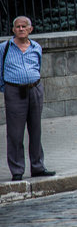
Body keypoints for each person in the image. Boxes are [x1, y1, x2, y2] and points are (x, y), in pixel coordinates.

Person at [1, 16, 55, 182]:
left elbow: (38, 66)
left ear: (30, 29)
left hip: (35, 89)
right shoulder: (5, 48)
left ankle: (38, 167)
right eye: (18, 27)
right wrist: (7, 89)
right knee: (15, 133)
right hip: (14, 92)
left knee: (36, 130)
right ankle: (17, 170)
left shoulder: (36, 47)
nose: (21, 29)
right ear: (13, 30)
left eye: (24, 26)